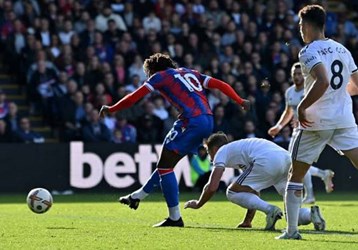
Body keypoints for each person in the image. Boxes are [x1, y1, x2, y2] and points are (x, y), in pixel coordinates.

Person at [99, 53, 250, 227]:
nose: (149, 77)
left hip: (191, 121)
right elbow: (220, 84)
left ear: (153, 70)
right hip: (206, 119)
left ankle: (174, 218)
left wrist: (112, 108)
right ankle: (137, 196)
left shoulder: (160, 76)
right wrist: (239, 100)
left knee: (164, 166)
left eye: (148, 73)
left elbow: (134, 97)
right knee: (166, 164)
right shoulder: (190, 72)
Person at [276, 5, 358, 240]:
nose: (300, 30)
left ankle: (291, 232)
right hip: (343, 118)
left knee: (296, 175)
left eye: (301, 26)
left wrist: (302, 106)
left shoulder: (308, 51)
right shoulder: (341, 49)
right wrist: (338, 95)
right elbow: (356, 85)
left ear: (308, 25)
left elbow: (322, 80)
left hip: (316, 122)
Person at [184, 132, 325, 231]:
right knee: (292, 214)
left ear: (215, 148)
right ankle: (310, 215)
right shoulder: (240, 152)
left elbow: (212, 186)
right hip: (286, 159)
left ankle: (270, 210)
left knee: (231, 192)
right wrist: (248, 220)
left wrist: (198, 204)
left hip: (268, 160)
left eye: (209, 152)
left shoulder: (222, 151)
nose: (210, 157)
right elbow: (252, 191)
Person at [268, 62, 335, 204]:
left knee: (298, 162)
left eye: (299, 74)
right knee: (295, 163)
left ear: (304, 75)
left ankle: (310, 195)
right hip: (297, 131)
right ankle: (322, 175)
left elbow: (320, 108)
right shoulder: (290, 92)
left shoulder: (311, 89)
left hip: (310, 130)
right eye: (294, 74)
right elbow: (288, 111)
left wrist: (307, 117)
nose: (297, 77)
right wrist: (279, 126)